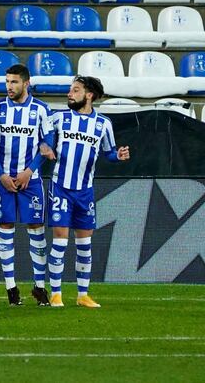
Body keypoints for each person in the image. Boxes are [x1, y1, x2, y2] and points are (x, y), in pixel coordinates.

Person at [45, 76, 130, 308]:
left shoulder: (103, 124)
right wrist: (44, 145)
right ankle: (56, 293)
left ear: (89, 95)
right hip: (60, 187)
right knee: (60, 242)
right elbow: (41, 133)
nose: (69, 94)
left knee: (84, 244)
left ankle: (83, 294)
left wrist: (118, 156)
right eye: (70, 90)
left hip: (85, 191)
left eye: (75, 90)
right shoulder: (59, 118)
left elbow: (109, 153)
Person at [0, 64, 54, 306]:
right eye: (7, 82)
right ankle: (11, 288)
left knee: (36, 228)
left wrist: (29, 171)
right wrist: (1, 173)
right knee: (6, 228)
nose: (9, 87)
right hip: (3, 180)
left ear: (26, 83)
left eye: (14, 82)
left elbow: (47, 144)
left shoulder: (42, 110)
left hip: (30, 181)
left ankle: (40, 286)